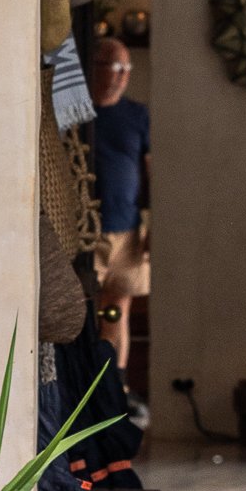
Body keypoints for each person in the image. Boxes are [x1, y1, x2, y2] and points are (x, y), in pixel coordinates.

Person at [89, 35, 149, 373]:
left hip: (127, 232)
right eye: (116, 66)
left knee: (116, 309)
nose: (123, 75)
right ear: (95, 68)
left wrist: (153, 226)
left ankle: (116, 384)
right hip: (86, 234)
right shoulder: (78, 112)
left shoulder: (137, 115)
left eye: (127, 67)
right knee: (85, 311)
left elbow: (152, 171)